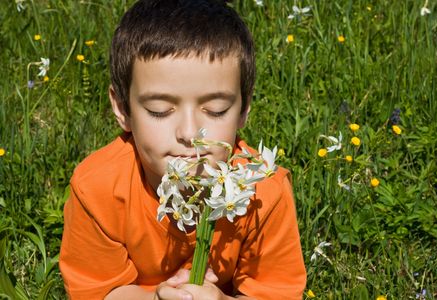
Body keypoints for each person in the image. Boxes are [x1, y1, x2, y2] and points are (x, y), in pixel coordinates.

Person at [59, 0, 307, 299]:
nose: (190, 134)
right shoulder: (97, 189)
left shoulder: (264, 190)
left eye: (216, 110)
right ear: (123, 108)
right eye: (160, 110)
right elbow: (101, 292)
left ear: (244, 108)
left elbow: (276, 293)